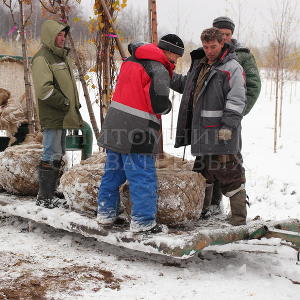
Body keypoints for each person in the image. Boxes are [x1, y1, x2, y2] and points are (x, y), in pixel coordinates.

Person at [97, 34, 184, 233]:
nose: (176, 61)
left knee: (113, 172)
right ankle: (143, 223)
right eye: (177, 56)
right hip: (138, 130)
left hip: (114, 124)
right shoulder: (159, 69)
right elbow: (159, 104)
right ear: (170, 52)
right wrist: (168, 106)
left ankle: (105, 214)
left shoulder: (131, 61)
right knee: (142, 176)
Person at [171, 28, 247, 226]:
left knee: (231, 173)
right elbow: (186, 86)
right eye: (205, 47)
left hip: (222, 133)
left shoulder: (232, 68)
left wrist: (228, 125)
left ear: (222, 43)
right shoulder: (200, 65)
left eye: (213, 47)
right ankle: (201, 213)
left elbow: (237, 100)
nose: (209, 51)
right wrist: (165, 74)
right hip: (201, 133)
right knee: (202, 174)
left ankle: (239, 220)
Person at [209, 16, 261, 214]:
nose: (224, 38)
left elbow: (254, 86)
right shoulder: (209, 53)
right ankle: (212, 206)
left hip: (230, 120)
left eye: (227, 34)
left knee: (230, 161)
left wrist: (237, 113)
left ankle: (238, 210)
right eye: (220, 34)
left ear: (232, 35)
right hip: (207, 121)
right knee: (207, 161)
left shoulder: (242, 56)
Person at [32, 20, 83, 209]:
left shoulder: (61, 57)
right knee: (50, 152)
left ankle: (53, 191)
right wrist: (64, 102)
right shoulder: (42, 58)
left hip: (63, 115)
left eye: (64, 35)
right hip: (54, 114)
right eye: (59, 35)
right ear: (49, 36)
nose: (62, 39)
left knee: (58, 153)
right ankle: (44, 197)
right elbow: (44, 89)